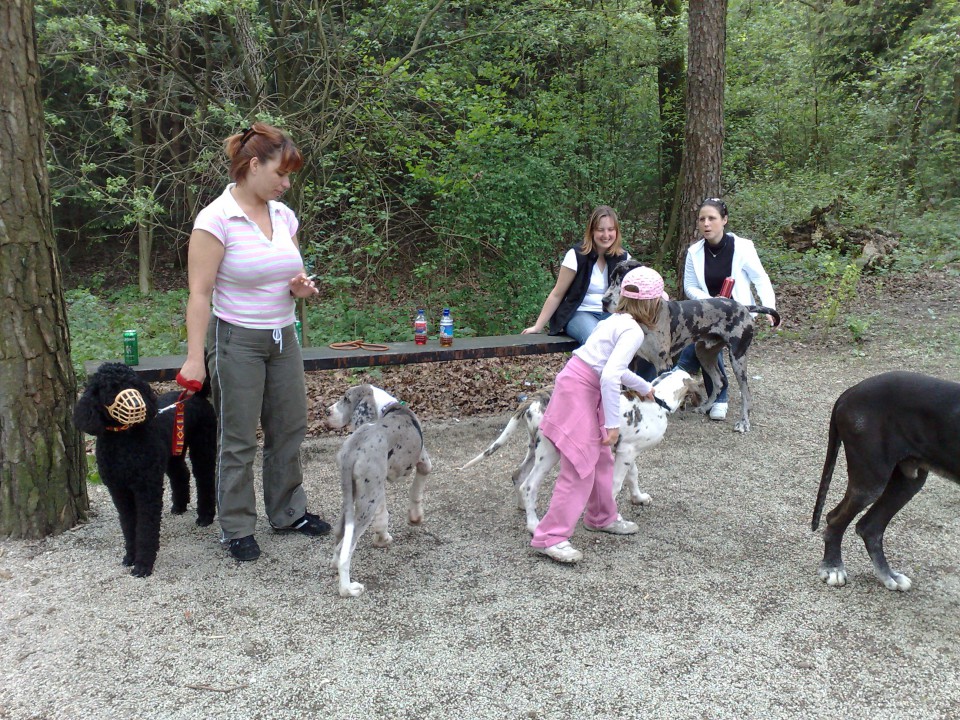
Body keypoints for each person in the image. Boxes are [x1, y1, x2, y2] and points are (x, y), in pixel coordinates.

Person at [178, 122, 330, 562]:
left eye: (290, 177)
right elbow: (199, 294)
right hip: (235, 340)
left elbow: (288, 277)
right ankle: (237, 526)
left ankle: (287, 512)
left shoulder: (284, 216)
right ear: (252, 165)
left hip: (284, 337)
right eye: (281, 174)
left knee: (289, 428)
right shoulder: (215, 218)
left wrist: (299, 288)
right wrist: (194, 358)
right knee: (238, 437)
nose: (286, 184)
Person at [530, 267, 665, 564]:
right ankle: (550, 537)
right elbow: (609, 376)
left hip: (582, 384)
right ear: (653, 304)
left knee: (602, 456)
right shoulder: (631, 331)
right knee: (581, 465)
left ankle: (602, 515)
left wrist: (643, 386)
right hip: (580, 390)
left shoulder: (616, 319)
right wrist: (613, 425)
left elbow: (606, 367)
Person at [676, 197, 777, 422]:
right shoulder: (694, 252)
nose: (706, 224)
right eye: (702, 219)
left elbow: (760, 278)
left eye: (712, 218)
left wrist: (769, 308)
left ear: (724, 220)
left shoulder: (742, 247)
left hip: (737, 315)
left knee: (706, 346)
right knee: (702, 344)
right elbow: (690, 287)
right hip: (707, 311)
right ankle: (714, 394)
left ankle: (684, 383)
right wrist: (713, 301)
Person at [522, 205, 631, 345]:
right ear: (591, 231)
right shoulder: (576, 255)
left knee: (630, 339)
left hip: (612, 315)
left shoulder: (623, 258)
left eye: (611, 229)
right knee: (596, 341)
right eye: (600, 230)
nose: (606, 235)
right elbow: (557, 294)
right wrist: (538, 326)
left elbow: (636, 292)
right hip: (580, 314)